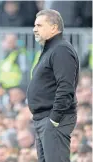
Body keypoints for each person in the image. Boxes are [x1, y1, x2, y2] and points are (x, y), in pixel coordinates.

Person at [27, 9, 79, 162]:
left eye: (39, 25)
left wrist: (54, 119)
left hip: (54, 118)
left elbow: (65, 87)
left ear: (54, 27)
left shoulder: (61, 49)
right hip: (43, 119)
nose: (34, 29)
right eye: (35, 25)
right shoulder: (50, 49)